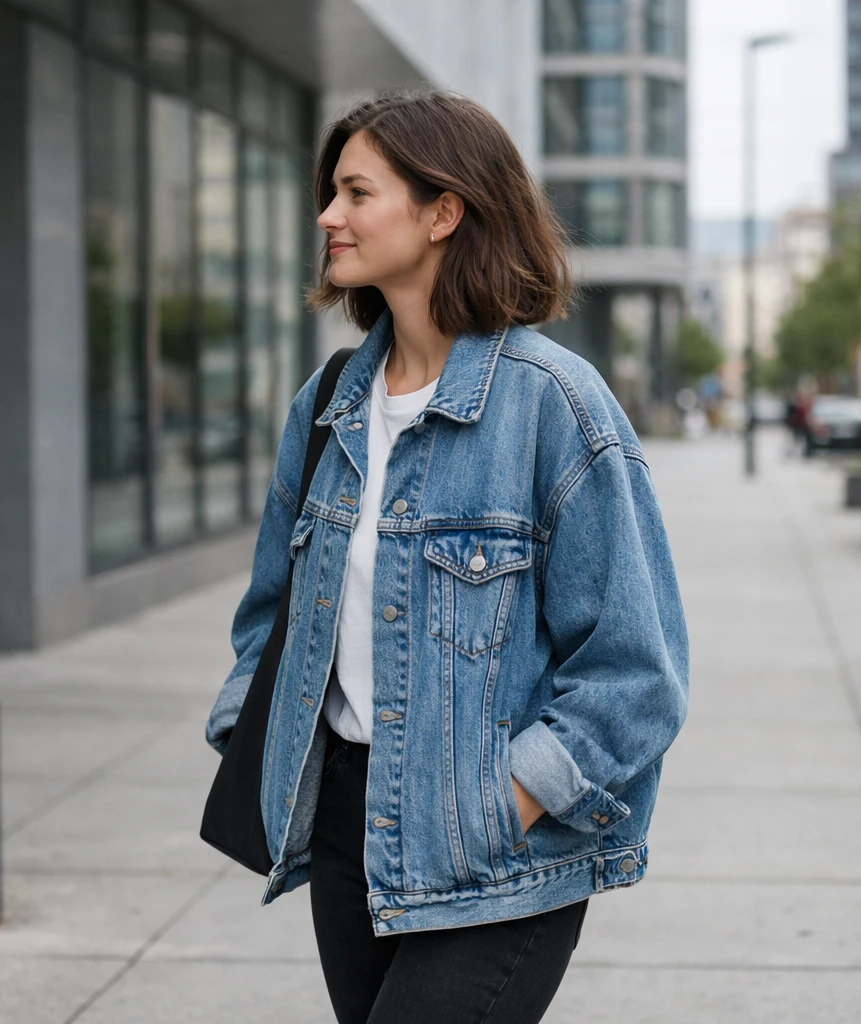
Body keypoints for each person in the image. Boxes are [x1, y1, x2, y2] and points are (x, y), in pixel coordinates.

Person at [205, 92, 689, 1024]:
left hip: (494, 856)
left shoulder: (556, 406)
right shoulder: (329, 400)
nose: (327, 217)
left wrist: (501, 802)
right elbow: (271, 611)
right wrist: (259, 747)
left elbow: (636, 671)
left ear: (443, 211)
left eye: (355, 191)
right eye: (331, 193)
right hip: (350, 832)